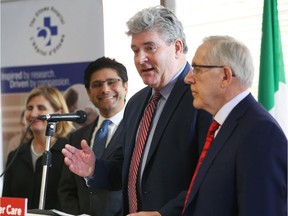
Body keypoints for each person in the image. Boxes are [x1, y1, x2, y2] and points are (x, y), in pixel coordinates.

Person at [62, 5, 211, 216]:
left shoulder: (201, 97)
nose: (140, 59)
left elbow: (210, 177)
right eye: (135, 50)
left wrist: (164, 214)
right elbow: (125, 168)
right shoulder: (136, 103)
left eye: (150, 48)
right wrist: (95, 168)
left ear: (177, 48)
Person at [182, 35, 287, 216]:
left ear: (225, 76)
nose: (188, 78)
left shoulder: (260, 132)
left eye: (197, 69)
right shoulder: (223, 125)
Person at [58, 56, 128, 215]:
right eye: (97, 84)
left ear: (125, 86)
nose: (105, 89)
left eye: (112, 82)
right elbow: (66, 189)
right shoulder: (76, 137)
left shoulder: (138, 130)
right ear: (89, 93)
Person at [2, 86, 74, 210]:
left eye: (41, 108)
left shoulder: (69, 153)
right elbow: (7, 203)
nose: (33, 114)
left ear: (58, 113)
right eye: (29, 108)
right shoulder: (15, 156)